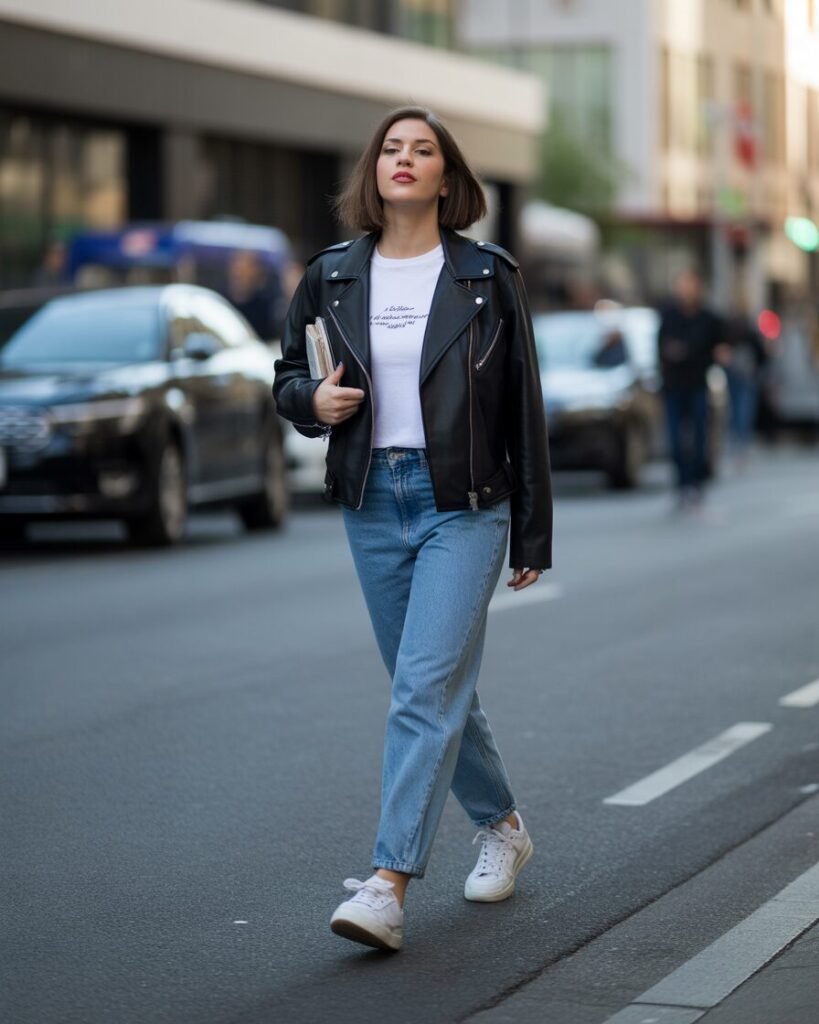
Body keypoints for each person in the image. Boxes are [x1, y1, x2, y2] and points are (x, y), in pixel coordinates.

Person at [273, 106, 552, 952]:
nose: (404, 159)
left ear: (445, 176)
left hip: (462, 503)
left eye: (422, 149)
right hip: (372, 500)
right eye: (391, 148)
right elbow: (287, 375)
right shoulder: (330, 275)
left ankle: (387, 883)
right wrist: (309, 404)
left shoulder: (484, 276)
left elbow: (522, 409)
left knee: (422, 689)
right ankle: (500, 824)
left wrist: (532, 536)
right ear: (375, 171)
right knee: (429, 688)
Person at [657, 270, 726, 508]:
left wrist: (694, 353)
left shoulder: (709, 318)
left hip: (698, 384)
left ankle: (696, 482)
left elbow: (720, 349)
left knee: (698, 436)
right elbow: (661, 348)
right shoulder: (669, 315)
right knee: (675, 439)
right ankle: (681, 483)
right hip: (674, 386)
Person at [724, 304, 767, 466]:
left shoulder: (733, 335)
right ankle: (740, 444)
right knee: (742, 411)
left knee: (738, 411)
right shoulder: (750, 334)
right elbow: (762, 356)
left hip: (740, 378)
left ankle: (738, 443)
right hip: (744, 378)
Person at [226, 250, 280, 341]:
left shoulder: (265, 307)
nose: (239, 275)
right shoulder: (223, 302)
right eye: (237, 271)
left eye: (244, 272)